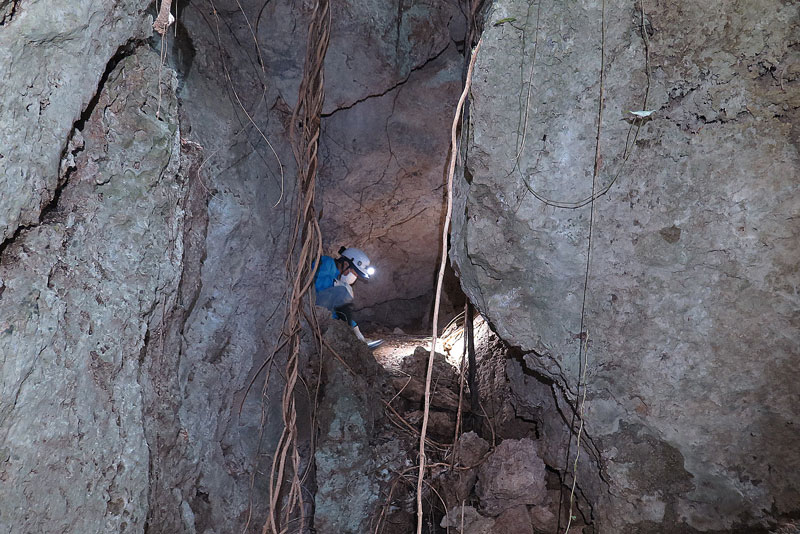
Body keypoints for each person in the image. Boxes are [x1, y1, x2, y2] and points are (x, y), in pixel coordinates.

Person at [313, 246, 382, 349]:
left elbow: (340, 311)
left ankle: (359, 342)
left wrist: (357, 332)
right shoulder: (327, 262)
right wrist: (338, 285)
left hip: (325, 312)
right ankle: (359, 342)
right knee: (344, 290)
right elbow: (317, 285)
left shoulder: (337, 277)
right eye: (353, 272)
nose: (354, 276)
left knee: (343, 297)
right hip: (314, 305)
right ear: (345, 263)